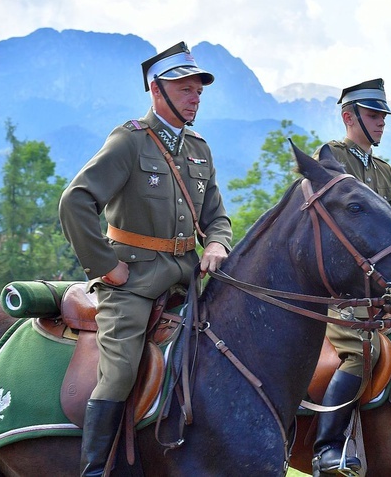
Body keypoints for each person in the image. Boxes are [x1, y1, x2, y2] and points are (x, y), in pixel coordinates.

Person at [59, 41, 232, 476]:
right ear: (157, 91)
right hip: (133, 280)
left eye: (199, 90)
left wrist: (216, 244)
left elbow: (216, 216)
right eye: (185, 88)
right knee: (119, 370)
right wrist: (105, 266)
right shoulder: (129, 141)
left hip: (190, 276)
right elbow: (75, 201)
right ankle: (96, 469)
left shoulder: (200, 149)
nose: (195, 97)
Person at [311, 79, 391, 476]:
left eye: (383, 116)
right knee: (363, 351)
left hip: (380, 291)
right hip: (339, 289)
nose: (381, 123)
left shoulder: (384, 172)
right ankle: (327, 448)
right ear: (349, 117)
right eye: (373, 115)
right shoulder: (331, 157)